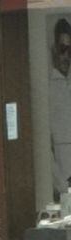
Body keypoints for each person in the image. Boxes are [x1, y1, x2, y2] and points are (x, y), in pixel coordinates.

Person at [50, 18, 71, 201]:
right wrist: (61, 183)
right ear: (54, 49)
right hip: (60, 184)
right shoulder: (47, 86)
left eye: (70, 50)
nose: (66, 56)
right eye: (63, 49)